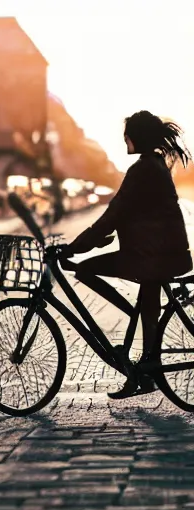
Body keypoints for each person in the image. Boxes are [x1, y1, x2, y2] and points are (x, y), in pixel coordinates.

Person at [65, 110, 193, 399]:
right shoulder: (155, 165)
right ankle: (147, 373)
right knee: (148, 304)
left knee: (84, 269)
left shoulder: (143, 168)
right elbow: (133, 211)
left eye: (127, 135)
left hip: (150, 256)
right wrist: (101, 238)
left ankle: (131, 319)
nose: (124, 139)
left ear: (136, 137)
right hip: (161, 253)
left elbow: (116, 210)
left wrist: (76, 247)